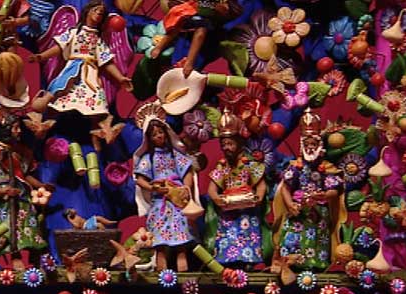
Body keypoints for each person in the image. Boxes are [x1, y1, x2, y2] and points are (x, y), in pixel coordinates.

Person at [273, 108, 347, 271]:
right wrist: (290, 204)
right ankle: (289, 263)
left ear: (320, 146)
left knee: (317, 238)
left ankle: (316, 264)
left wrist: (324, 195)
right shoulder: (296, 167)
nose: (310, 148)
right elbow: (285, 187)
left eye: (313, 144)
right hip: (298, 211)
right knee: (293, 238)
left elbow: (334, 190)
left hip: (318, 212)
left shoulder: (326, 168)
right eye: (307, 145)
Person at [0, 110, 51, 270]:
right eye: (15, 128)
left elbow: (25, 176)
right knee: (10, 228)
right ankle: (15, 257)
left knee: (30, 226)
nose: (19, 131)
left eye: (19, 127)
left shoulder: (20, 152)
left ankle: (35, 257)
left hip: (23, 198)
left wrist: (41, 186)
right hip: (6, 201)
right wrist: (3, 191)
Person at [29, 0, 132, 114]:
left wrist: (120, 77)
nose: (98, 13)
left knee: (94, 94)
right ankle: (50, 107)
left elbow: (106, 61)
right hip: (72, 67)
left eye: (101, 13)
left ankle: (97, 119)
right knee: (62, 84)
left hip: (90, 73)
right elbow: (59, 47)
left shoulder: (98, 40)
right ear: (87, 12)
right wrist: (42, 56)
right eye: (95, 10)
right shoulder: (74, 33)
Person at [133, 114, 195, 271]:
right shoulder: (149, 158)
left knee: (180, 224)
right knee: (158, 226)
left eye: (160, 132)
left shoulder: (175, 155)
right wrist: (152, 188)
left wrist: (185, 188)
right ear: (149, 139)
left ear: (166, 133)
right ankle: (161, 260)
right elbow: (140, 179)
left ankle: (182, 259)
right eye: (154, 134)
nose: (158, 136)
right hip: (160, 200)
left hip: (177, 199)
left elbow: (187, 171)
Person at [207, 109, 266, 267]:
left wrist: (258, 198)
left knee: (248, 233)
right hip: (228, 208)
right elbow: (212, 189)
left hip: (247, 207)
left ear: (239, 143)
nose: (227, 148)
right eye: (224, 145)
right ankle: (228, 260)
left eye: (230, 144)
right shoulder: (223, 167)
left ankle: (249, 259)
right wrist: (217, 199)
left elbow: (261, 185)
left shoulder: (249, 164)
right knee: (228, 234)